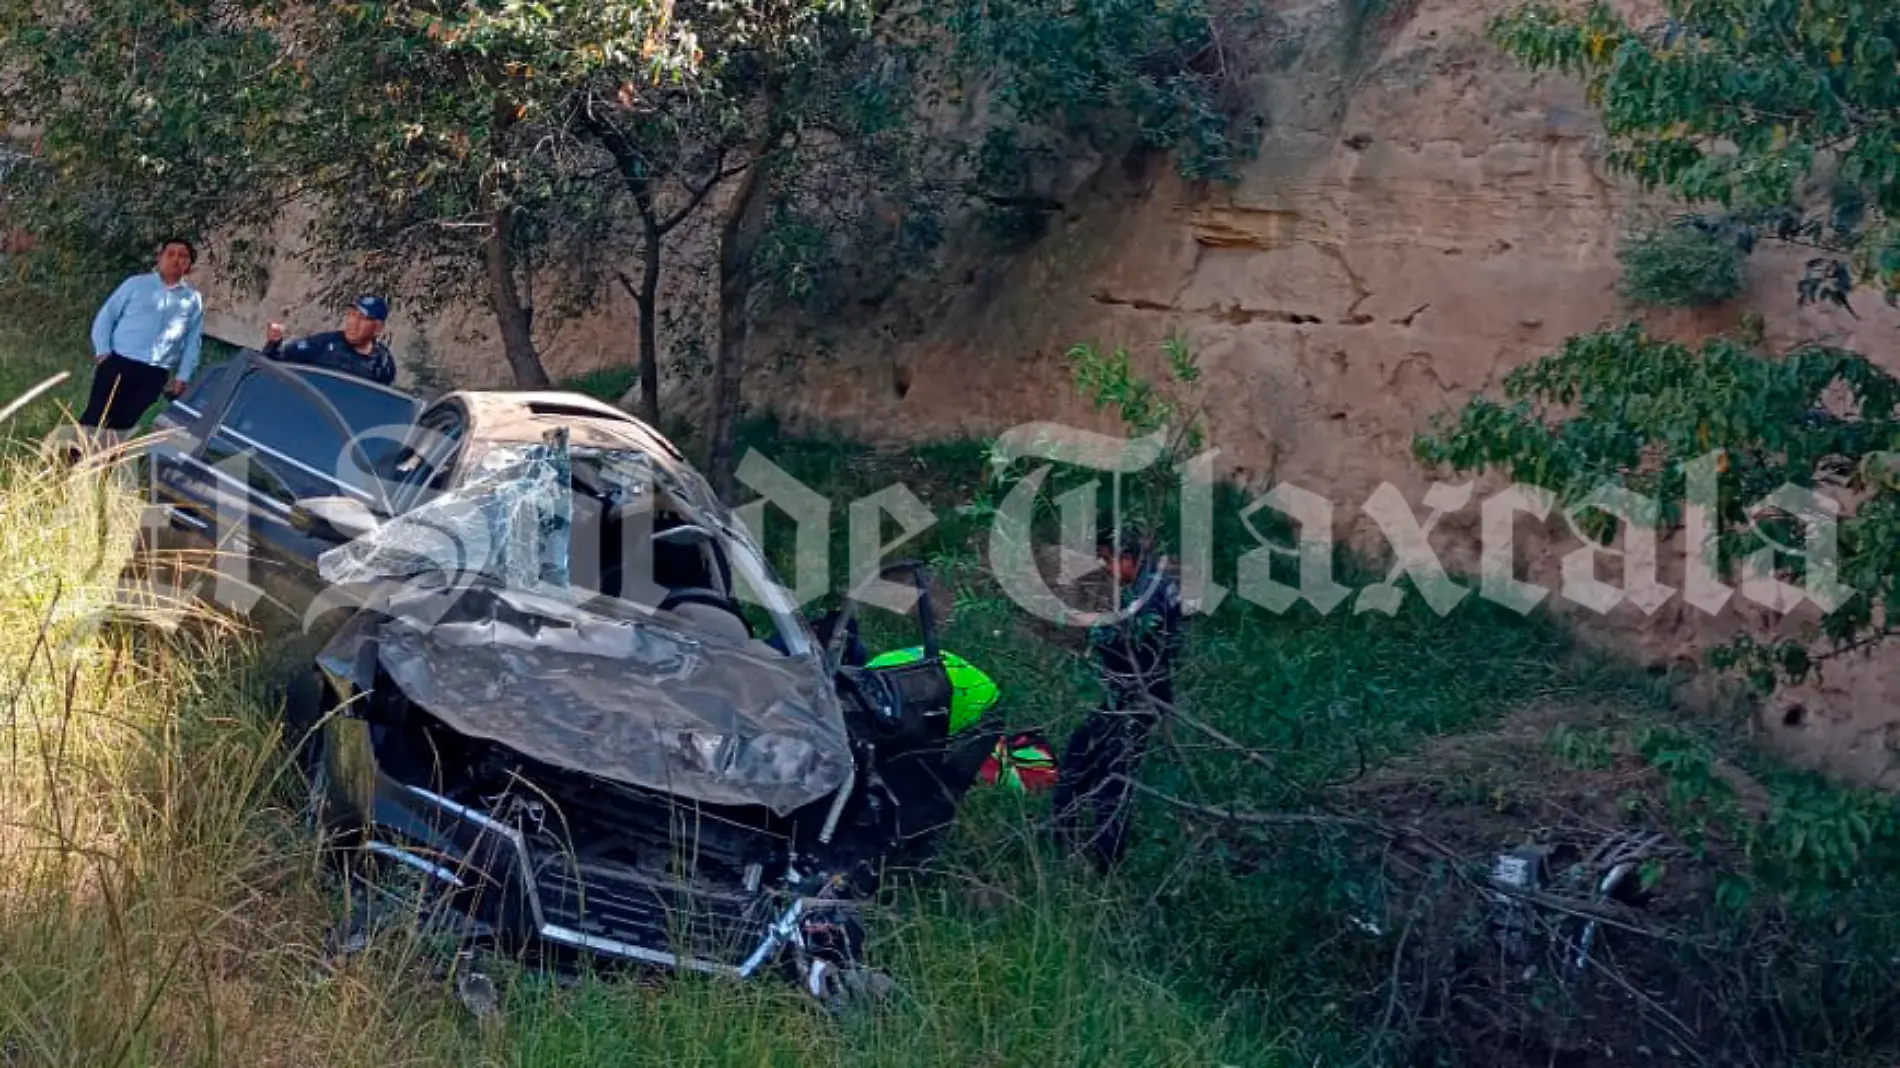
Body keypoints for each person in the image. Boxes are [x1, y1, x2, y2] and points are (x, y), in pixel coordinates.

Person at [1051, 527, 1185, 872]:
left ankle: (1099, 862)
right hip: (1140, 695)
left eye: (1108, 561)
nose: (1106, 569)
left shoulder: (1147, 595)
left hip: (1133, 700)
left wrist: (1094, 629)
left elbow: (1122, 636)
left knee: (1111, 775)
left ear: (1126, 559)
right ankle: (1068, 838)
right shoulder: (1155, 586)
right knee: (1090, 759)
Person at [80, 237, 204, 436]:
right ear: (160, 258)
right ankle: (73, 463)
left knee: (123, 424)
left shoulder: (192, 299)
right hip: (119, 362)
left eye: (183, 256)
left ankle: (103, 466)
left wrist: (183, 376)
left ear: (189, 264)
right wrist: (103, 351)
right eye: (170, 254)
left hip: (154, 373)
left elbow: (192, 341)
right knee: (95, 417)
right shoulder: (136, 284)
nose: (176, 259)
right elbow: (107, 317)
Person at [262, 295, 396, 385]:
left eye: (362, 318)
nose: (353, 323)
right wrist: (273, 343)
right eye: (351, 315)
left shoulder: (383, 363)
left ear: (377, 328)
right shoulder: (324, 344)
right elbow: (273, 363)